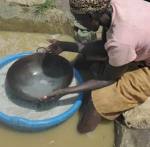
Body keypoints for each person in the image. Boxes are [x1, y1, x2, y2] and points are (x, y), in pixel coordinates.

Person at [43, 0, 150, 134]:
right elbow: (105, 46)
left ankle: (83, 134)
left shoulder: (121, 41)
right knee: (84, 58)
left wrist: (64, 91)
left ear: (91, 17)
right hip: (137, 46)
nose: (79, 24)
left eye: (78, 19)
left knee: (96, 103)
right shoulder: (115, 5)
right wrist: (65, 46)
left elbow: (108, 79)